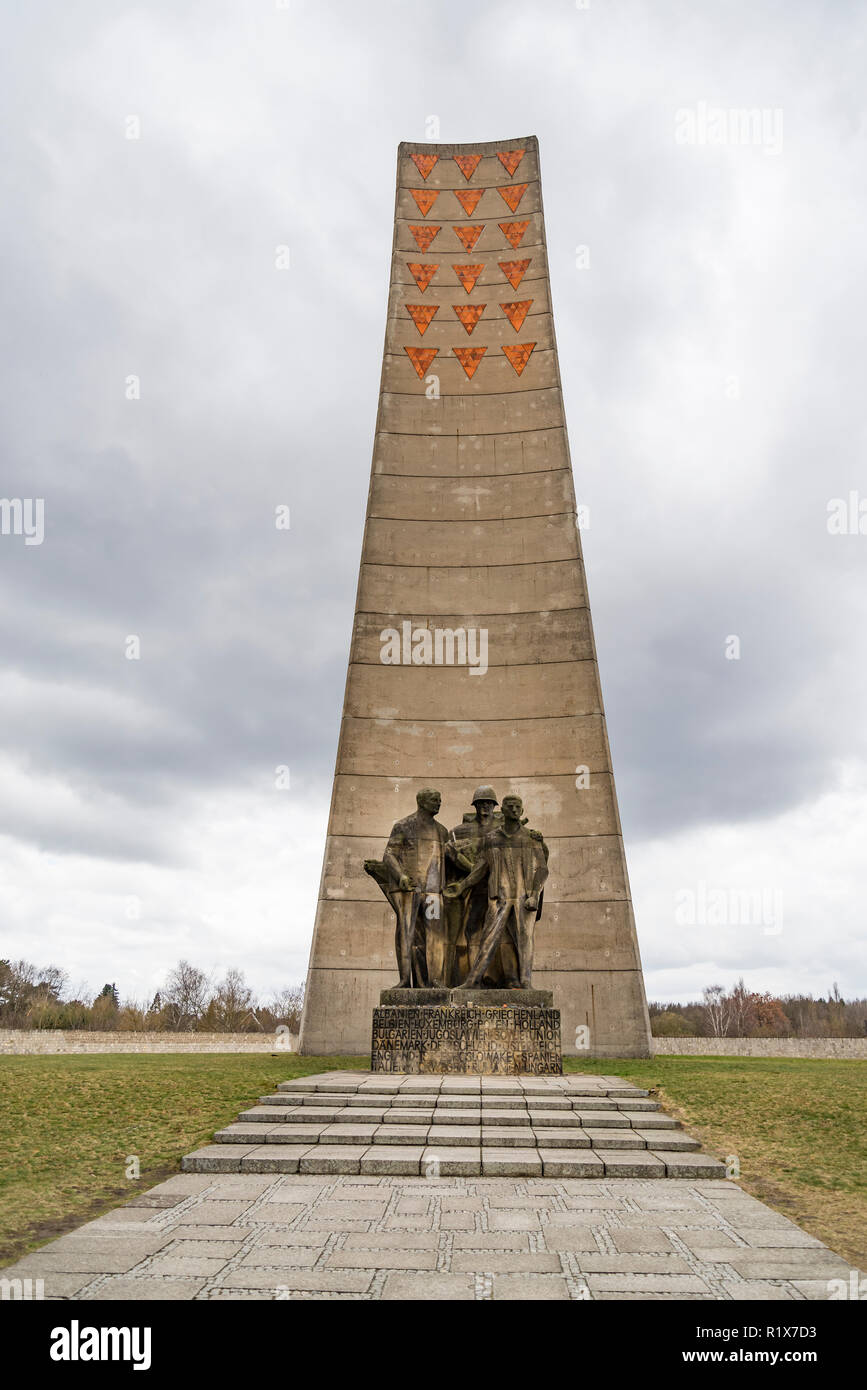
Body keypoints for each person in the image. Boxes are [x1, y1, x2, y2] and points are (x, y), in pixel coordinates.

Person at [445, 793, 548, 988]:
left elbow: (542, 869)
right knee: (488, 938)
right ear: (503, 809)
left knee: (525, 940)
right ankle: (472, 981)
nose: (514, 810)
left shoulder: (530, 837)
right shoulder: (491, 838)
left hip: (523, 898)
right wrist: (462, 885)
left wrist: (534, 894)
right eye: (510, 806)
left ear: (522, 810)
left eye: (518, 807)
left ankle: (526, 982)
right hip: (498, 897)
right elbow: (481, 868)